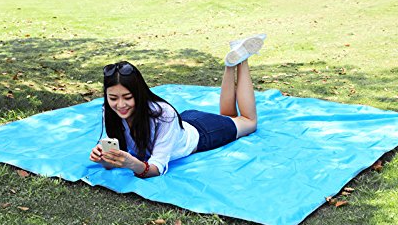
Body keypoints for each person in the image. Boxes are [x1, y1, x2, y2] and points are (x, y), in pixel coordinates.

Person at [89, 34, 266, 178]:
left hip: (204, 132)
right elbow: (115, 158)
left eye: (127, 97)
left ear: (140, 94)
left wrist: (131, 163)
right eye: (113, 98)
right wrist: (103, 158)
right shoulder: (110, 111)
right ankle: (232, 62)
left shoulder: (163, 114)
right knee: (227, 115)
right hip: (181, 123)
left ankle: (242, 59)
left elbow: (155, 169)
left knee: (248, 122)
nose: (120, 105)